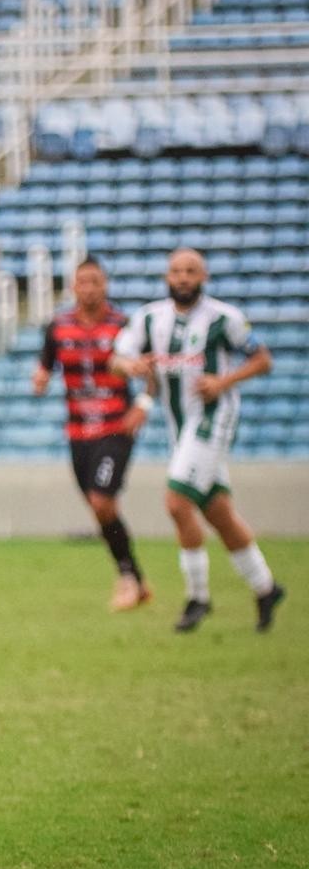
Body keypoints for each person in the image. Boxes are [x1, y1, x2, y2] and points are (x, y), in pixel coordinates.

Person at [111, 247, 285, 633]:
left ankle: (198, 597)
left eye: (191, 271)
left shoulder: (225, 318)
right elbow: (116, 358)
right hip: (179, 426)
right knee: (218, 511)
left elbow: (263, 359)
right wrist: (132, 366)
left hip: (214, 418)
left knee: (176, 501)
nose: (183, 277)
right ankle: (266, 587)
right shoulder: (151, 318)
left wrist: (223, 381)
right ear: (167, 277)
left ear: (203, 277)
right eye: (177, 271)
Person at [32, 255, 152, 611]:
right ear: (73, 286)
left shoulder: (124, 325)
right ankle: (138, 580)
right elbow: (44, 366)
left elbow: (151, 369)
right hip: (78, 433)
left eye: (95, 282)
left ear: (105, 285)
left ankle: (128, 579)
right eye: (82, 281)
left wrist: (143, 405)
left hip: (116, 427)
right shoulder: (57, 326)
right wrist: (39, 379)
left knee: (102, 501)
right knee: (100, 509)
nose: (88, 288)